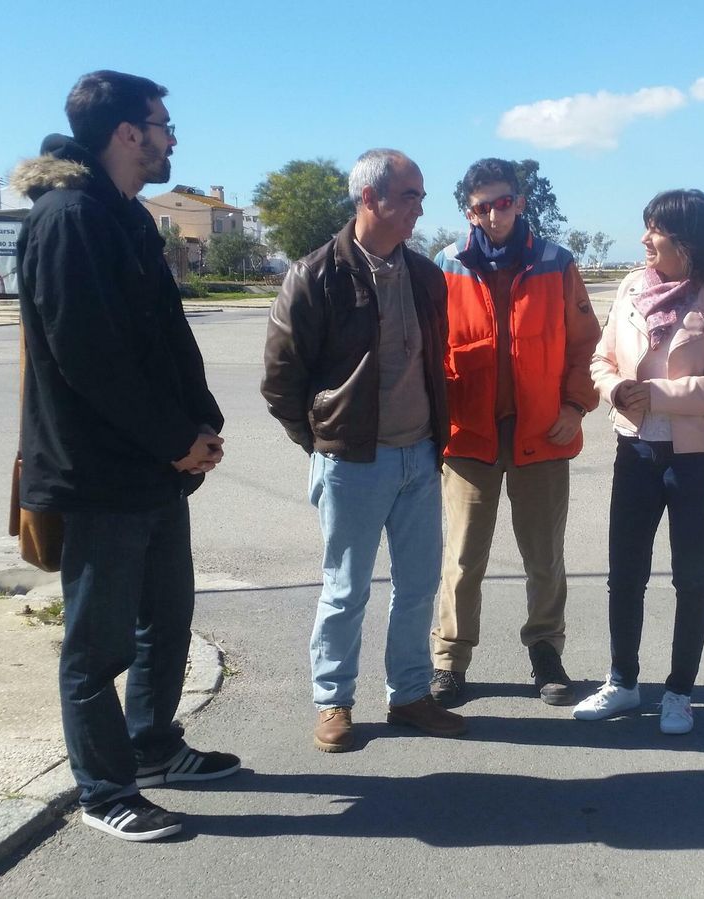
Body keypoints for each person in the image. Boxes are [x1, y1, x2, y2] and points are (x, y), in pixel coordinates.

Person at [12, 70, 238, 843]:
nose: (173, 137)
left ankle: (154, 748)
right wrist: (174, 438)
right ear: (126, 132)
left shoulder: (129, 219)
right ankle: (104, 789)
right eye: (162, 123)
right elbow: (90, 357)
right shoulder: (70, 218)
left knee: (165, 620)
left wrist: (199, 424)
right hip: (98, 474)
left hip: (155, 470)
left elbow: (166, 342)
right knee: (96, 644)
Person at [261, 148, 467, 753]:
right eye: (409, 197)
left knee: (419, 585)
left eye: (421, 198)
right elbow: (281, 380)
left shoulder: (427, 276)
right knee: (346, 588)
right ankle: (333, 701)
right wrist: (325, 442)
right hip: (352, 462)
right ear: (370, 198)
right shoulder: (315, 274)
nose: (419, 210)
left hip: (421, 459)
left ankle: (408, 696)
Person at [574, 189, 704, 735]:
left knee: (691, 576)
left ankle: (680, 690)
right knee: (624, 573)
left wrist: (657, 395)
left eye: (653, 229)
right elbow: (601, 358)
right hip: (634, 452)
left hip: (695, 460)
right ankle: (624, 681)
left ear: (686, 239)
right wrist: (616, 390)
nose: (644, 239)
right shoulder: (633, 286)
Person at [428, 158, 602, 707]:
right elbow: (429, 351)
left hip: (544, 434)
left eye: (503, 202)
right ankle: (450, 661)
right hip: (469, 436)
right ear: (468, 212)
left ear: (521, 202)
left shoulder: (557, 263)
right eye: (482, 206)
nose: (494, 214)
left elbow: (585, 346)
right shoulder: (446, 266)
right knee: (461, 557)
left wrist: (575, 405)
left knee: (543, 556)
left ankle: (546, 653)